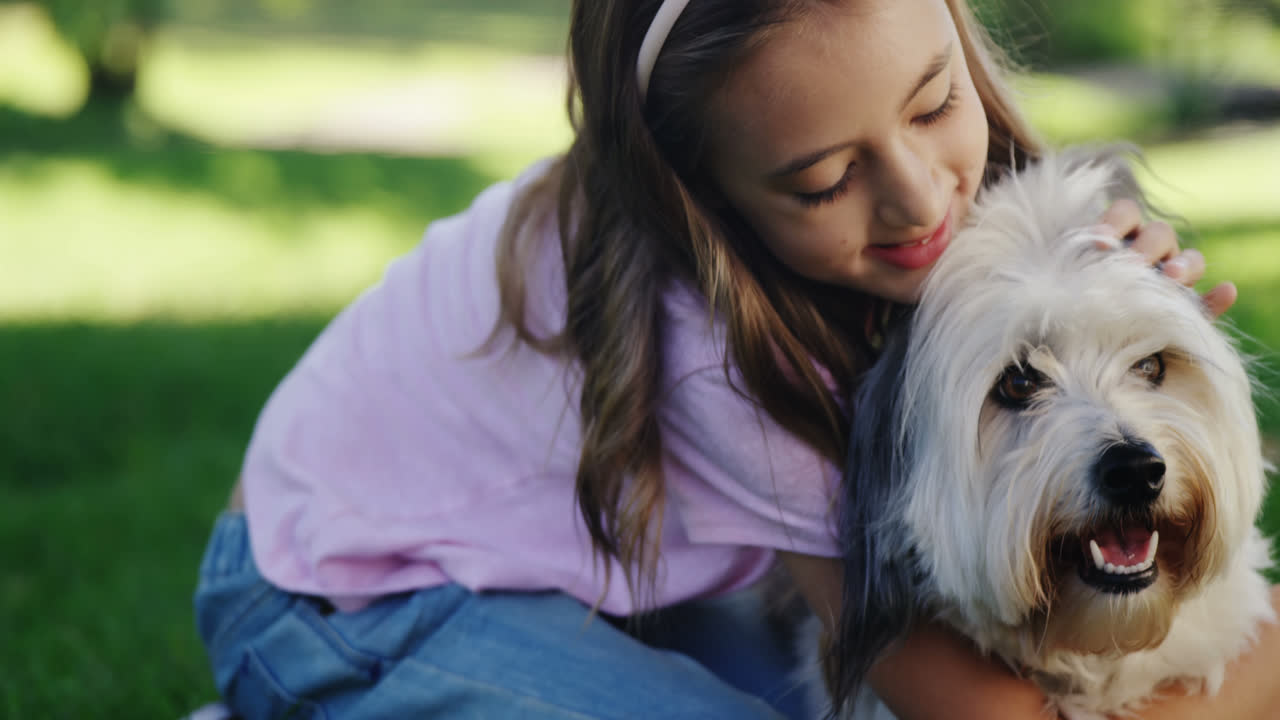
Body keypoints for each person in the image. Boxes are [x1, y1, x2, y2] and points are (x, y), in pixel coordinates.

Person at [193, 0, 1279, 718]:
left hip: (542, 573)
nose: (920, 200)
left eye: (934, 102)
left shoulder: (887, 196)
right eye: (823, 181)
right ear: (701, 199)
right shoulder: (719, 361)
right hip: (334, 597)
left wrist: (1115, 285)